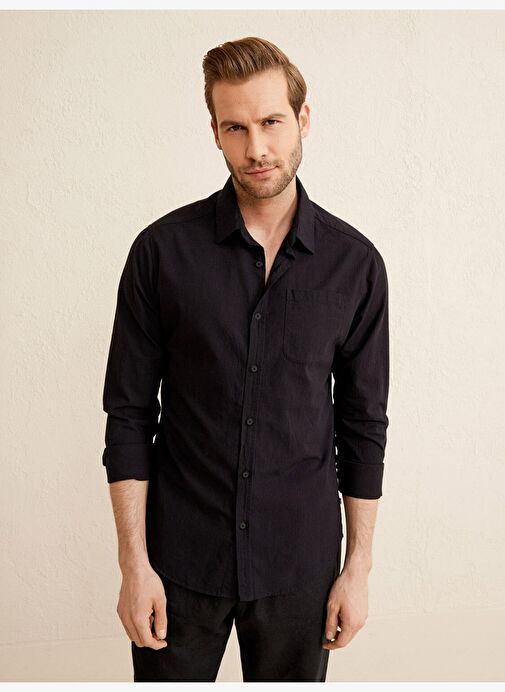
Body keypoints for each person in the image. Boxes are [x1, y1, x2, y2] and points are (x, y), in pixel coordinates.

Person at [101, 35, 390, 683]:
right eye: (235, 127)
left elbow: (363, 425)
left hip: (301, 567)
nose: (256, 148)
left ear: (303, 119)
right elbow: (128, 417)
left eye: (271, 122)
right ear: (214, 133)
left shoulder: (355, 265)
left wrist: (357, 569)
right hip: (178, 562)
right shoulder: (161, 253)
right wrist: (133, 566)